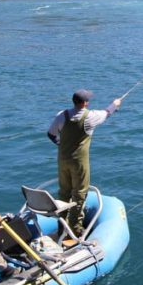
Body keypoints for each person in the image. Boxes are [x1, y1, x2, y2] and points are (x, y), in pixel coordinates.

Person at [47, 89, 121, 243]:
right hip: (79, 163)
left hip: (62, 160)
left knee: (64, 192)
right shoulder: (90, 117)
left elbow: (51, 135)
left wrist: (62, 145)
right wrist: (115, 104)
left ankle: (61, 226)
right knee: (79, 194)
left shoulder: (62, 115)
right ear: (85, 103)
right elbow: (107, 113)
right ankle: (75, 229)